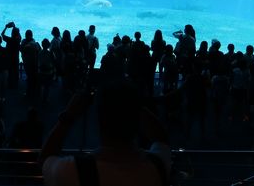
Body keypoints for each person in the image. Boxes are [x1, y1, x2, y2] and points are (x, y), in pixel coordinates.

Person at [40, 78, 172, 186]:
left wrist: (69, 116)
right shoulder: (158, 166)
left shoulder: (71, 171)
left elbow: (45, 159)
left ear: (98, 118)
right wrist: (132, 103)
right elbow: (161, 138)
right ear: (137, 119)